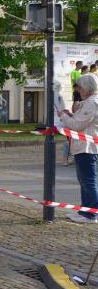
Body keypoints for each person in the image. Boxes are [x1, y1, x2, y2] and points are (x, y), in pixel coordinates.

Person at [58, 74, 98, 223]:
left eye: (80, 88)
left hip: (87, 147)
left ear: (87, 87)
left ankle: (91, 214)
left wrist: (63, 116)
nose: (78, 90)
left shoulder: (91, 103)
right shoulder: (89, 102)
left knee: (88, 181)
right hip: (84, 146)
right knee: (85, 181)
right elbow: (80, 121)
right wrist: (71, 115)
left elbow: (77, 125)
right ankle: (85, 211)